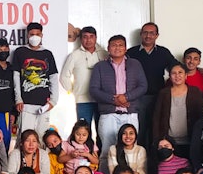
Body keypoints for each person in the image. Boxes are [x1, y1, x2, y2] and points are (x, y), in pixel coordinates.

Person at [89, 34, 147, 164]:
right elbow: (94, 90)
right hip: (109, 114)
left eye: (121, 45)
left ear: (126, 48)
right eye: (114, 45)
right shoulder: (100, 66)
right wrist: (113, 100)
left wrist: (126, 97)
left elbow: (143, 86)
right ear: (108, 48)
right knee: (106, 151)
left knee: (131, 150)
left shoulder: (135, 64)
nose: (117, 48)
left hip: (130, 113)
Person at [126, 22, 178, 151]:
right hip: (137, 98)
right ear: (141, 34)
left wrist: (198, 70)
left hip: (158, 97)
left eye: (151, 33)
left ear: (157, 35)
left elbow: (177, 68)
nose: (148, 36)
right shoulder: (131, 53)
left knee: (157, 131)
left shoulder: (163, 52)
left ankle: (155, 161)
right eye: (145, 32)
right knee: (140, 130)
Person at [11, 22, 59, 138]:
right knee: (25, 138)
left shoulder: (47, 54)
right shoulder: (20, 52)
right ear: (27, 35)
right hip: (26, 104)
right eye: (32, 34)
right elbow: (16, 76)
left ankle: (41, 157)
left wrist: (53, 101)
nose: (35, 36)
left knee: (43, 138)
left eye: (37, 34)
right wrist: (18, 99)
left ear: (42, 35)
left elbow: (53, 78)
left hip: (44, 104)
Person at [152, 62, 203, 160]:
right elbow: (156, 117)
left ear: (186, 75)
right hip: (169, 142)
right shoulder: (164, 93)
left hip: (190, 140)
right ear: (170, 76)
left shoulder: (195, 91)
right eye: (174, 73)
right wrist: (157, 139)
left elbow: (201, 115)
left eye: (180, 72)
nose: (177, 76)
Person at [59, 26, 107, 134]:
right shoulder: (74, 55)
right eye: (85, 37)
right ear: (81, 39)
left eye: (91, 37)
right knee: (83, 132)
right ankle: (85, 151)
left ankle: (101, 151)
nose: (88, 40)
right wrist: (73, 90)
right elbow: (64, 76)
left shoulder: (104, 54)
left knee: (103, 132)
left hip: (102, 100)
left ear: (96, 38)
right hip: (83, 100)